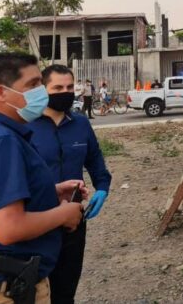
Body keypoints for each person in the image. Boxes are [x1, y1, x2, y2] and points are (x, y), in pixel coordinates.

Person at [0, 53, 85, 304]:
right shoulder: (1, 141)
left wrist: (49, 192)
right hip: (3, 290)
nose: (42, 92)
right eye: (33, 84)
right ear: (0, 93)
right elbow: (8, 228)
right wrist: (66, 213)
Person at [28, 65, 112, 304]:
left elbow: (95, 161)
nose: (64, 92)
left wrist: (103, 189)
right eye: (57, 88)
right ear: (42, 90)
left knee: (66, 290)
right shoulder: (25, 126)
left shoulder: (80, 124)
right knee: (36, 290)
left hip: (73, 220)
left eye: (69, 87)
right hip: (37, 220)